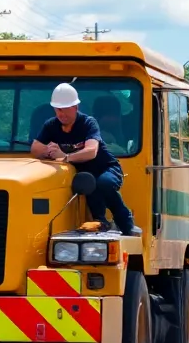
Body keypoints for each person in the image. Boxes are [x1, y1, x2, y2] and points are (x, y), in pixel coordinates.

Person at [31, 82, 141, 236]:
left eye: (65, 109)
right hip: (86, 173)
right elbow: (35, 148)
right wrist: (49, 151)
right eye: (58, 109)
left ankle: (126, 223)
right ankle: (100, 221)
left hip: (107, 168)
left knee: (104, 183)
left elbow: (91, 151)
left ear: (75, 107)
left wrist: (65, 156)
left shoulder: (88, 123)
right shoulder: (51, 125)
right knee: (87, 181)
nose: (61, 114)